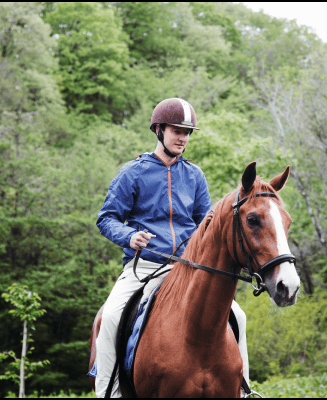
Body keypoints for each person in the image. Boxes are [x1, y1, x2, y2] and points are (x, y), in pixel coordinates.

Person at [95, 98, 250, 397]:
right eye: (177, 130)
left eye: (188, 132)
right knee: (111, 316)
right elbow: (107, 218)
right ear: (159, 130)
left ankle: (243, 389)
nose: (183, 137)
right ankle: (108, 391)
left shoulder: (194, 175)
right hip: (144, 268)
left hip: (188, 270)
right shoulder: (133, 172)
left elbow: (206, 223)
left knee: (238, 315)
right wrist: (129, 237)